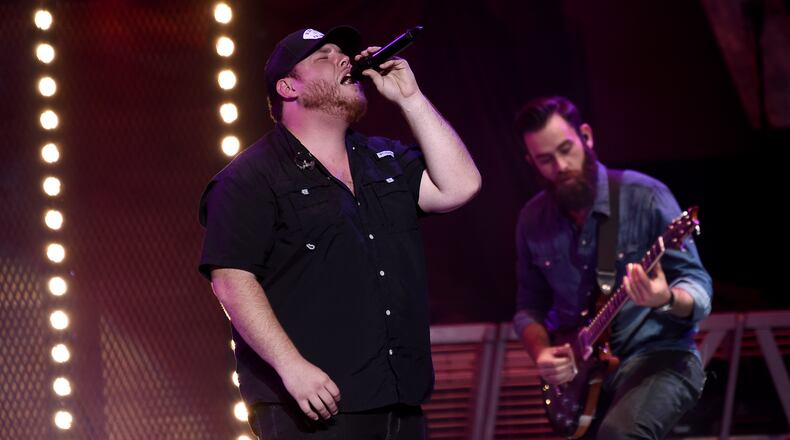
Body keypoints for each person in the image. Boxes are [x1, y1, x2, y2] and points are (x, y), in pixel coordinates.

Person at [198, 25, 480, 439]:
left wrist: (411, 99)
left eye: (342, 52)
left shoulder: (382, 159)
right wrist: (291, 366)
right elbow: (231, 279)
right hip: (310, 407)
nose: (344, 59)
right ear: (288, 87)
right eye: (324, 56)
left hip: (398, 399)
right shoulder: (250, 178)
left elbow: (461, 186)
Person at [512, 96, 712, 439]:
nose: (560, 166)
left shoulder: (645, 195)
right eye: (545, 160)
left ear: (586, 137)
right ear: (530, 161)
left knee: (619, 434)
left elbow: (698, 284)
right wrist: (541, 352)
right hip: (588, 375)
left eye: (566, 149)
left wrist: (665, 298)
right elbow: (528, 307)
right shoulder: (532, 219)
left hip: (659, 357)